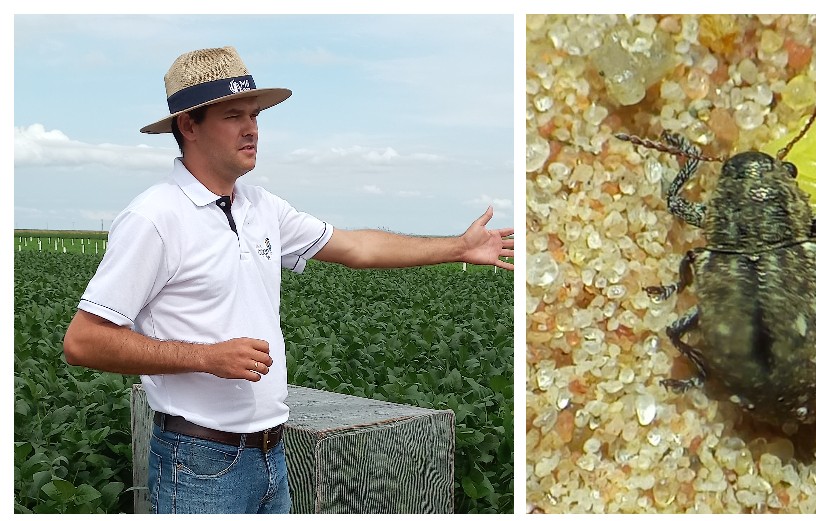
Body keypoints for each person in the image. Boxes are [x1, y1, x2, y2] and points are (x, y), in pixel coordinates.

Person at [62, 46, 513, 514]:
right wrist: (205, 357)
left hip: (271, 455)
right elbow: (83, 341)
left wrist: (457, 248)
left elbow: (357, 248)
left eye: (254, 115)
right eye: (233, 115)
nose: (251, 128)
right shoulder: (155, 218)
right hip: (198, 463)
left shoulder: (261, 208)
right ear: (188, 126)